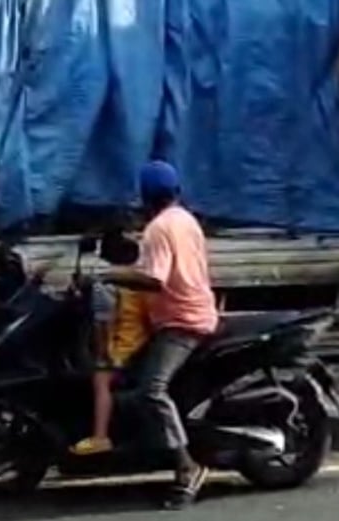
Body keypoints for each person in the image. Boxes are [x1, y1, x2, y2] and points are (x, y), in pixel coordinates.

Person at [103, 160, 219, 510]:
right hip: (193, 312)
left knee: (150, 390)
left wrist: (109, 277)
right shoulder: (186, 219)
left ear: (145, 197)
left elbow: (155, 280)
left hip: (181, 323)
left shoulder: (157, 229)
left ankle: (187, 467)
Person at [70, 234, 152, 456]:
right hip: (141, 339)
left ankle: (100, 436)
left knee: (100, 379)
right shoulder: (139, 276)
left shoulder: (106, 283)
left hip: (123, 345)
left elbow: (103, 324)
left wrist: (102, 354)